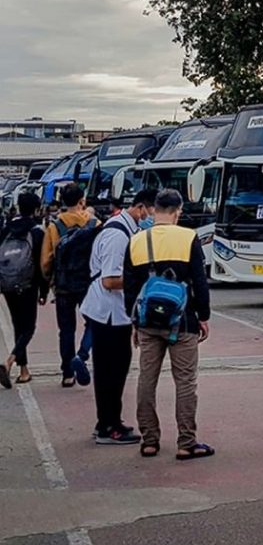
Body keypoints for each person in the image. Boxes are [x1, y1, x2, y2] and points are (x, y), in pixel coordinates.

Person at [124, 189, 214, 460]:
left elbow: (130, 289)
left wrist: (134, 322)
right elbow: (200, 282)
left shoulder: (137, 240)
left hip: (148, 322)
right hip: (183, 321)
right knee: (185, 381)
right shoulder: (188, 237)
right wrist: (204, 316)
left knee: (146, 379)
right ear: (178, 211)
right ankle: (186, 442)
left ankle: (149, 440)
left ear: (154, 210)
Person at [81, 189, 156, 444]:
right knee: (110, 370)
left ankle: (109, 420)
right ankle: (108, 426)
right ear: (142, 208)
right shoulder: (117, 235)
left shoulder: (127, 230)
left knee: (115, 368)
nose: (153, 217)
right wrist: (143, 282)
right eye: (153, 211)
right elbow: (110, 280)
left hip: (114, 313)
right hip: (108, 313)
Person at [40, 183, 96, 388]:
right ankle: (82, 355)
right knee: (94, 323)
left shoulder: (55, 226)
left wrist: (49, 281)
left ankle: (67, 373)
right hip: (89, 283)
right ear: (82, 201)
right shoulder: (95, 223)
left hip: (64, 284)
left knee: (66, 330)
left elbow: (46, 261)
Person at [0, 192, 47, 388]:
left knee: (18, 325)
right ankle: (9, 362)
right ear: (36, 209)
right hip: (28, 284)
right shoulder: (37, 232)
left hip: (8, 284)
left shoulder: (6, 229)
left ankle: (24, 370)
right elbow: (42, 264)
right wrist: (44, 291)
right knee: (28, 328)